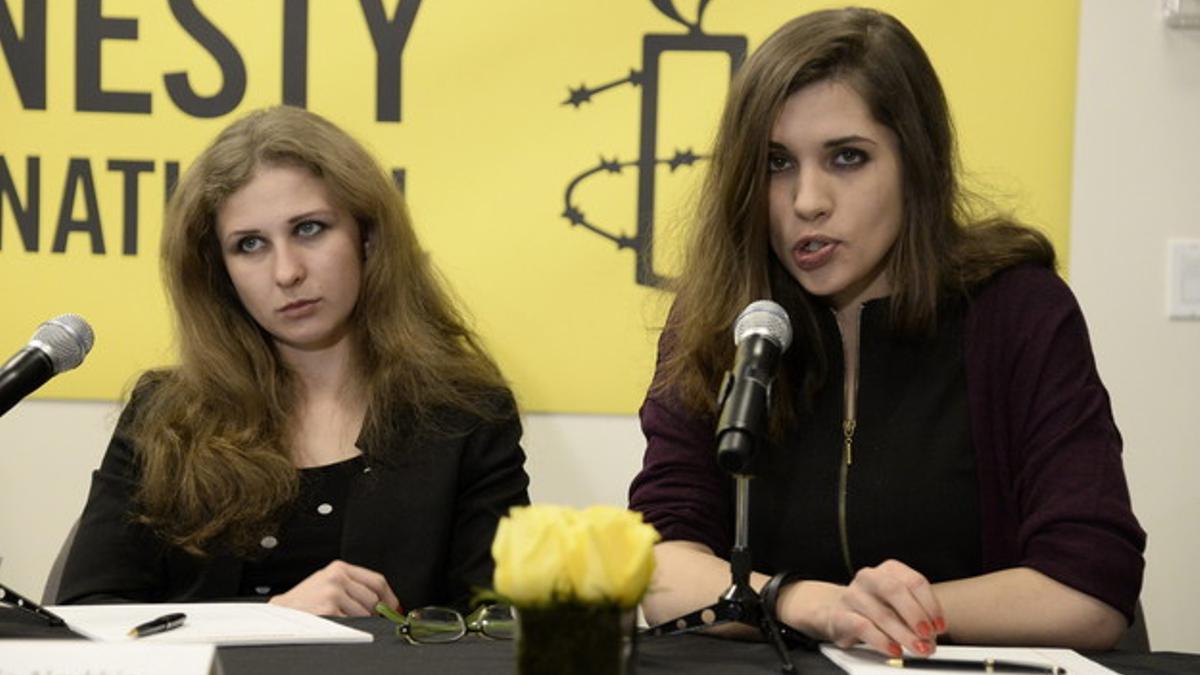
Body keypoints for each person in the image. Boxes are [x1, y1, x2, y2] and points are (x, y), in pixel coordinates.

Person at [628, 7, 1144, 657]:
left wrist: (877, 617)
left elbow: (1088, 587)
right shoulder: (722, 317)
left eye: (847, 157)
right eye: (776, 163)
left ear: (915, 163)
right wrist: (809, 603)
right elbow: (659, 564)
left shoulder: (1018, 310)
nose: (807, 200)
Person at [56, 106, 530, 616]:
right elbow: (88, 615)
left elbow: (499, 629)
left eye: (309, 229)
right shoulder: (165, 417)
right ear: (220, 272)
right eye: (250, 245)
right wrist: (273, 620)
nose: (286, 272)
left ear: (366, 237)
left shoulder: (465, 415)